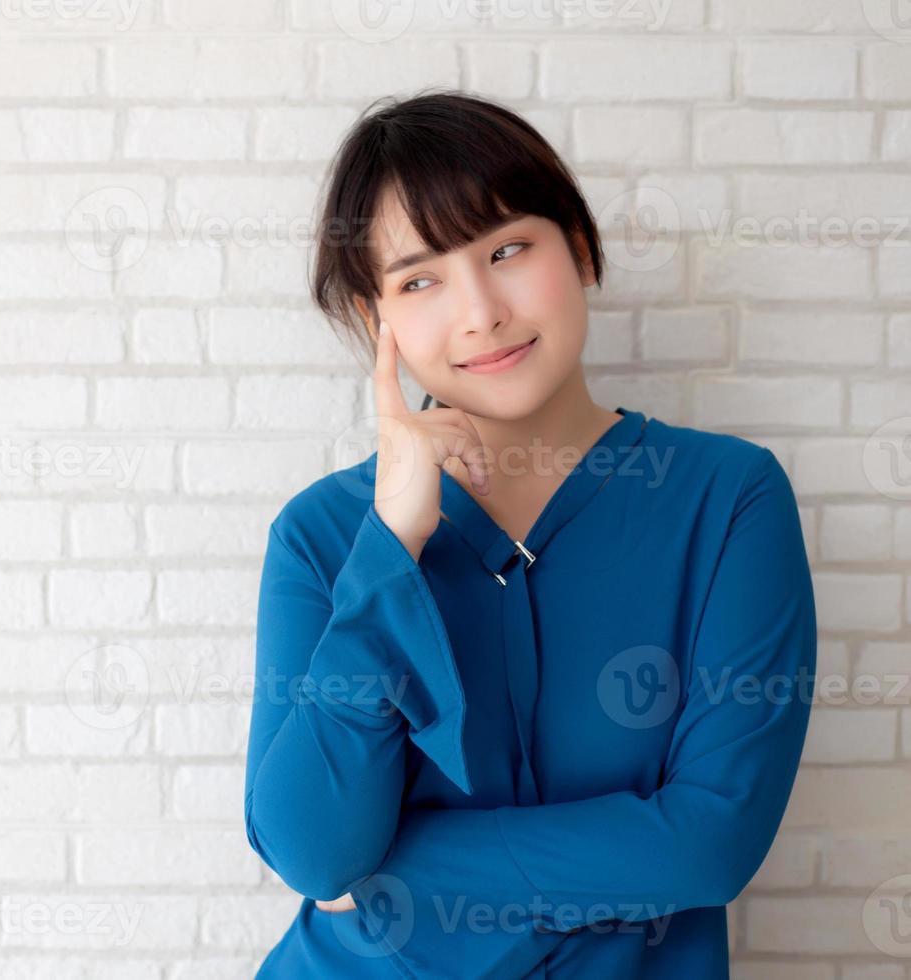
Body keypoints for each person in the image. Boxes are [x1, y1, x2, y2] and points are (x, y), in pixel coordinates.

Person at [244, 89, 816, 978]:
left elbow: (710, 844)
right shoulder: (324, 536)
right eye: (419, 279)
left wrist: (395, 872)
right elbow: (314, 854)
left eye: (508, 249)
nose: (481, 312)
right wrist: (390, 548)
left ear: (580, 248)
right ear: (376, 319)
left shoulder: (727, 499)